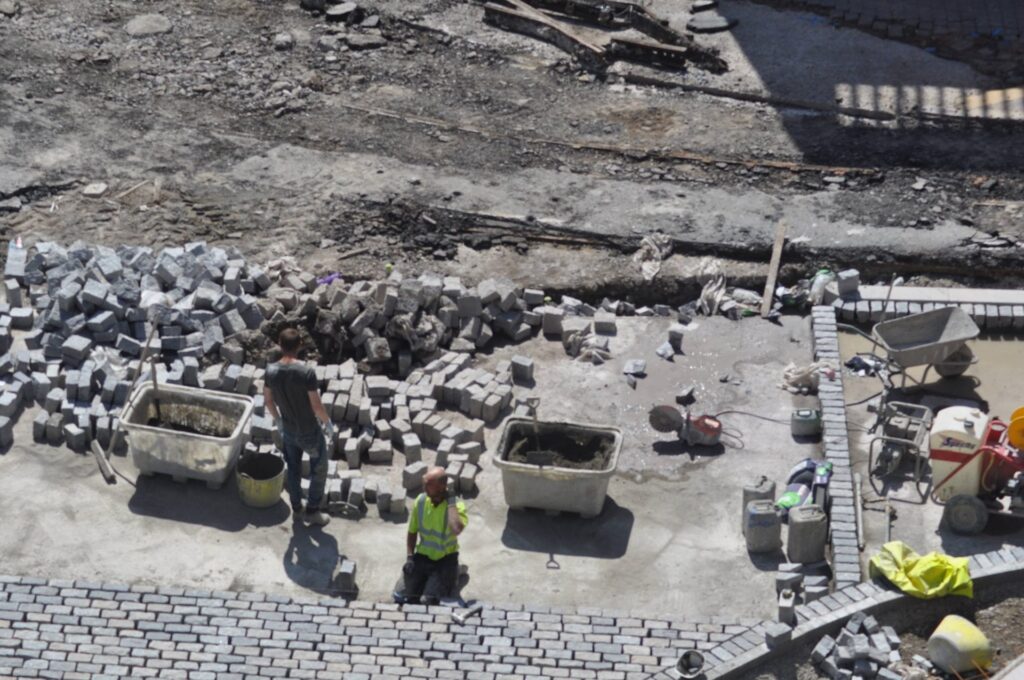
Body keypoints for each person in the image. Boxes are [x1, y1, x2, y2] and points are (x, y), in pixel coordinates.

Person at [263, 328, 334, 526]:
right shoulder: (306, 372)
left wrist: (278, 421)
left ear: (279, 343)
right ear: (300, 345)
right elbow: (316, 406)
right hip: (309, 431)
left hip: (289, 431)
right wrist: (327, 423)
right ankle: (312, 511)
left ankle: (297, 509)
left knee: (293, 469)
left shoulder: (271, 371)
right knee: (319, 469)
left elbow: (268, 401)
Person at [402, 466, 468, 605]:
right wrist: (409, 557)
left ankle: (456, 574)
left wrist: (450, 502)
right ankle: (426, 579)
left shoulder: (457, 506)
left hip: (444, 561)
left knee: (427, 601)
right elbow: (412, 531)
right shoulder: (420, 501)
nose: (424, 489)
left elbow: (456, 528)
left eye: (427, 486)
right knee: (402, 596)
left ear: (440, 488)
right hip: (423, 557)